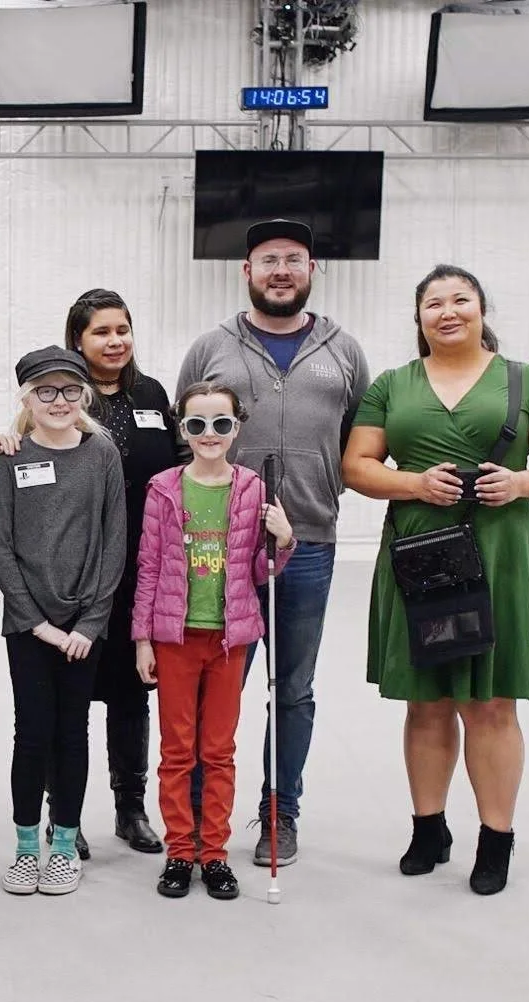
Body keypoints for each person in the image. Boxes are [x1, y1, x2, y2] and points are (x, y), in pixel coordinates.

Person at [342, 264, 529, 895]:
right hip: (420, 552)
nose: (447, 311)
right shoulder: (392, 385)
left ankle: (495, 838)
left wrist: (524, 481)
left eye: (460, 300)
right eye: (434, 303)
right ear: (418, 317)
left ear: (482, 310)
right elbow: (357, 466)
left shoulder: (527, 381)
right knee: (425, 701)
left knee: (491, 701)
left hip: (500, 552)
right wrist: (414, 483)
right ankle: (428, 828)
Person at [176, 218, 370, 868]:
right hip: (220, 547)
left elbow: (359, 438)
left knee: (292, 688)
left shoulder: (345, 351)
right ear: (247, 272)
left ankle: (279, 811)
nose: (280, 270)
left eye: (293, 259)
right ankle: (199, 816)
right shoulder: (210, 348)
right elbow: (187, 438)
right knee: (216, 685)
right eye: (268, 260)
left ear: (312, 269)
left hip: (308, 543)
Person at [133, 383, 295, 900]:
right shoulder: (163, 488)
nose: (209, 434)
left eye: (220, 424)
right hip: (175, 637)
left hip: (230, 640)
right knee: (177, 750)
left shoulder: (252, 488)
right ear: (182, 428)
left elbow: (261, 571)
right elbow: (149, 566)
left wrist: (283, 539)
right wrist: (142, 638)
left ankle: (215, 854)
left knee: (219, 751)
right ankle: (181, 851)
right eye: (197, 424)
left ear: (236, 428)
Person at [0, 346, 127, 896]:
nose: (59, 401)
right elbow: (0, 547)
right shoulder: (11, 458)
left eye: (70, 390)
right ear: (27, 399)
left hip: (83, 627)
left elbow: (114, 542)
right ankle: (27, 848)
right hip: (29, 626)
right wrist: (35, 622)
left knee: (72, 733)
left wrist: (90, 624)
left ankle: (64, 845)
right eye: (46, 391)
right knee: (32, 733)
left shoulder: (102, 454)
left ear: (84, 395)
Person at [60, 288, 179, 856]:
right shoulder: (64, 397)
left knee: (134, 693)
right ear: (77, 340)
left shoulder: (151, 394)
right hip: (79, 572)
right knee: (73, 695)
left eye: (122, 329)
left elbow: (180, 467)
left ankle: (131, 808)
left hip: (142, 569)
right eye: (101, 332)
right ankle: (66, 815)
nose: (115, 341)